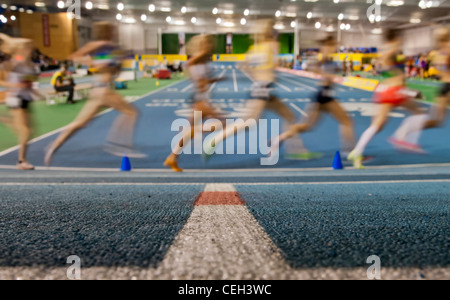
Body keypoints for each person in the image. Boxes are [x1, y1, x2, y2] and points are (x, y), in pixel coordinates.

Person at [44, 22, 145, 166]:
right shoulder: (99, 44)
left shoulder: (112, 48)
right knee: (131, 113)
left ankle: (54, 145)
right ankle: (119, 144)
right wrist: (93, 62)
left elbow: (119, 62)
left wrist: (116, 60)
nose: (115, 32)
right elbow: (74, 56)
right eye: (113, 30)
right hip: (103, 90)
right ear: (107, 31)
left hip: (98, 91)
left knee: (81, 123)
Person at [202, 19, 298, 160]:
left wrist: (255, 76)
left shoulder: (255, 48)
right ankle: (214, 140)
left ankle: (293, 149)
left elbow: (242, 64)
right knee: (247, 123)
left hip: (261, 87)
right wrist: (266, 75)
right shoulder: (273, 44)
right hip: (265, 88)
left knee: (289, 116)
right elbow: (273, 66)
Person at [269, 36, 355, 159]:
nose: (335, 47)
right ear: (328, 45)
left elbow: (320, 68)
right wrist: (327, 75)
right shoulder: (325, 55)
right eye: (334, 44)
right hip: (324, 94)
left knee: (307, 126)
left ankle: (278, 138)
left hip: (321, 95)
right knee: (346, 121)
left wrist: (333, 71)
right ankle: (350, 152)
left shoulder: (327, 57)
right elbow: (313, 68)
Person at [347, 29, 422, 169]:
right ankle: (402, 138)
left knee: (378, 125)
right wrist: (395, 72)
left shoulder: (392, 49)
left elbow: (382, 64)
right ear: (396, 38)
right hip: (393, 91)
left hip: (392, 90)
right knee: (418, 113)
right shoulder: (392, 48)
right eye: (400, 38)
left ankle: (357, 151)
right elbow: (383, 62)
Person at [164, 34, 222, 172]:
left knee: (189, 133)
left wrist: (213, 80)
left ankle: (172, 157)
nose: (210, 46)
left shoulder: (204, 60)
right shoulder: (197, 59)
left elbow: (203, 78)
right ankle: (191, 135)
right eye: (207, 44)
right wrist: (202, 81)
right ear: (201, 46)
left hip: (199, 99)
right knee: (222, 124)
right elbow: (188, 65)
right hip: (201, 100)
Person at [389, 27, 450, 152]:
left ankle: (406, 130)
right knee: (436, 120)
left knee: (437, 121)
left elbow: (440, 69)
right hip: (447, 86)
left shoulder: (436, 53)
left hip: (444, 87)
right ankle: (405, 129)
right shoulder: (445, 52)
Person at [0, 34, 43, 170]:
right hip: (15, 99)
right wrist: (16, 86)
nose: (30, 49)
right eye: (27, 47)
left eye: (31, 47)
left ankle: (4, 120)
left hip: (26, 99)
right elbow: (1, 80)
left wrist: (38, 94)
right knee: (25, 131)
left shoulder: (30, 66)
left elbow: (29, 84)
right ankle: (21, 161)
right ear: (20, 49)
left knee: (29, 131)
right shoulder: (14, 62)